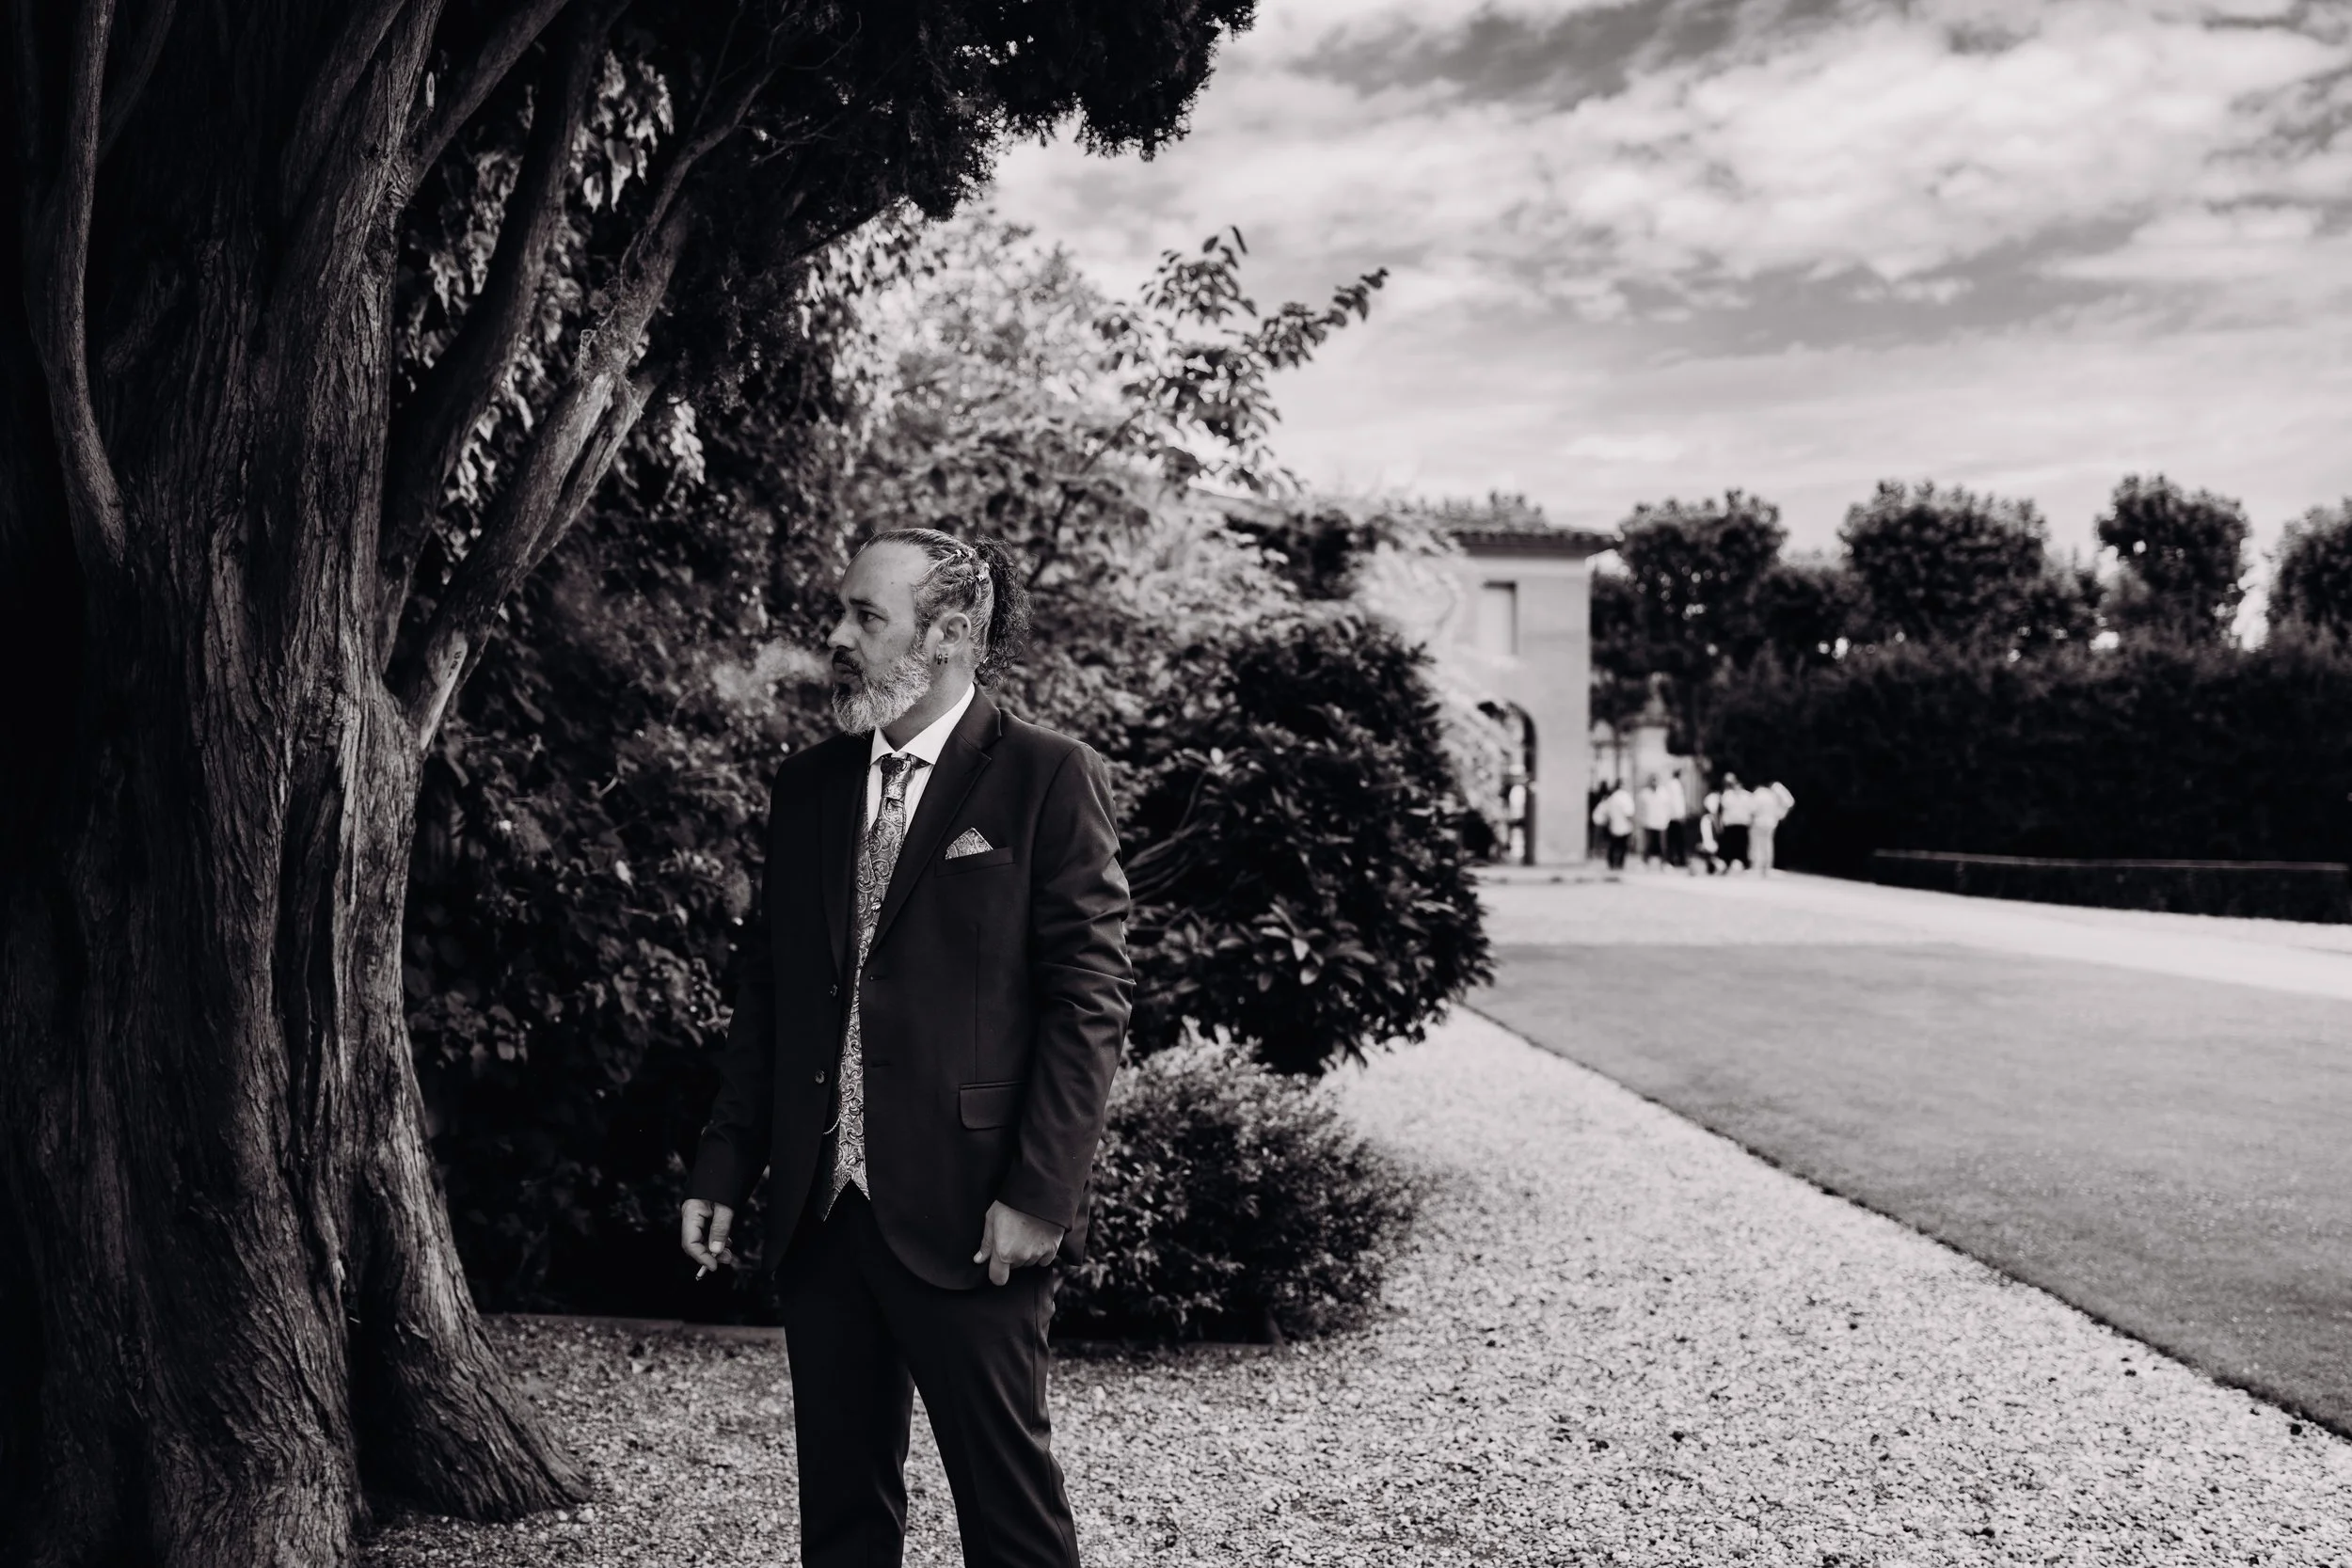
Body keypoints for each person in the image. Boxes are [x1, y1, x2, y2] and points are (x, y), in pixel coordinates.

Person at [681, 530, 1130, 1568]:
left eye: (864, 617)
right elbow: (772, 991)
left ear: (954, 633)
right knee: (841, 1522)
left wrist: (1040, 1191)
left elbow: (1087, 1000)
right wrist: (725, 1158)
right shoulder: (810, 786)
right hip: (820, 1212)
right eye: (839, 611)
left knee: (1010, 1520)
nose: (835, 635)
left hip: (972, 1213)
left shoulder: (1048, 779)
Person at [1749, 779, 1796, 876]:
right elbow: (1790, 802)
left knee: (1757, 843)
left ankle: (1756, 866)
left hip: (1759, 821)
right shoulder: (1774, 794)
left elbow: (1753, 808)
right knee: (1768, 844)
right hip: (1771, 822)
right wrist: (1781, 814)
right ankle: (1767, 867)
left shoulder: (1759, 793)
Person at [1592, 778, 1636, 872]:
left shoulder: (1611, 797)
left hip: (1613, 826)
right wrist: (1632, 825)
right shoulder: (1625, 797)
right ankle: (1619, 864)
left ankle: (1611, 864)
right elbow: (1629, 813)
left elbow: (1604, 812)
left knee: (1613, 846)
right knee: (1622, 847)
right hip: (1624, 826)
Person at [1716, 771, 1755, 871]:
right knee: (1729, 844)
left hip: (1742, 824)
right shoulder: (1727, 795)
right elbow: (1722, 810)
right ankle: (1728, 862)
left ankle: (1742, 863)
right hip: (1730, 824)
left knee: (1741, 845)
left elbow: (1751, 810)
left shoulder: (1747, 796)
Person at [1636, 774, 1673, 867]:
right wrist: (1641, 820)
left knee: (1662, 845)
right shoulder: (1644, 794)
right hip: (1648, 822)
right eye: (1652, 780)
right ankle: (1645, 862)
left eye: (1655, 780)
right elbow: (1640, 809)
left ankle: (1664, 863)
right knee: (1647, 844)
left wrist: (1667, 819)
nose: (1654, 783)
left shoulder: (1664, 793)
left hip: (1661, 823)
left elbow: (1668, 807)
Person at [1661, 770, 1691, 869]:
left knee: (1674, 840)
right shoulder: (1675, 785)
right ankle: (1676, 860)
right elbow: (1676, 803)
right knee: (1677, 840)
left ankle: (1674, 859)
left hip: (1673, 817)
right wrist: (1680, 815)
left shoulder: (1673, 785)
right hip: (1675, 817)